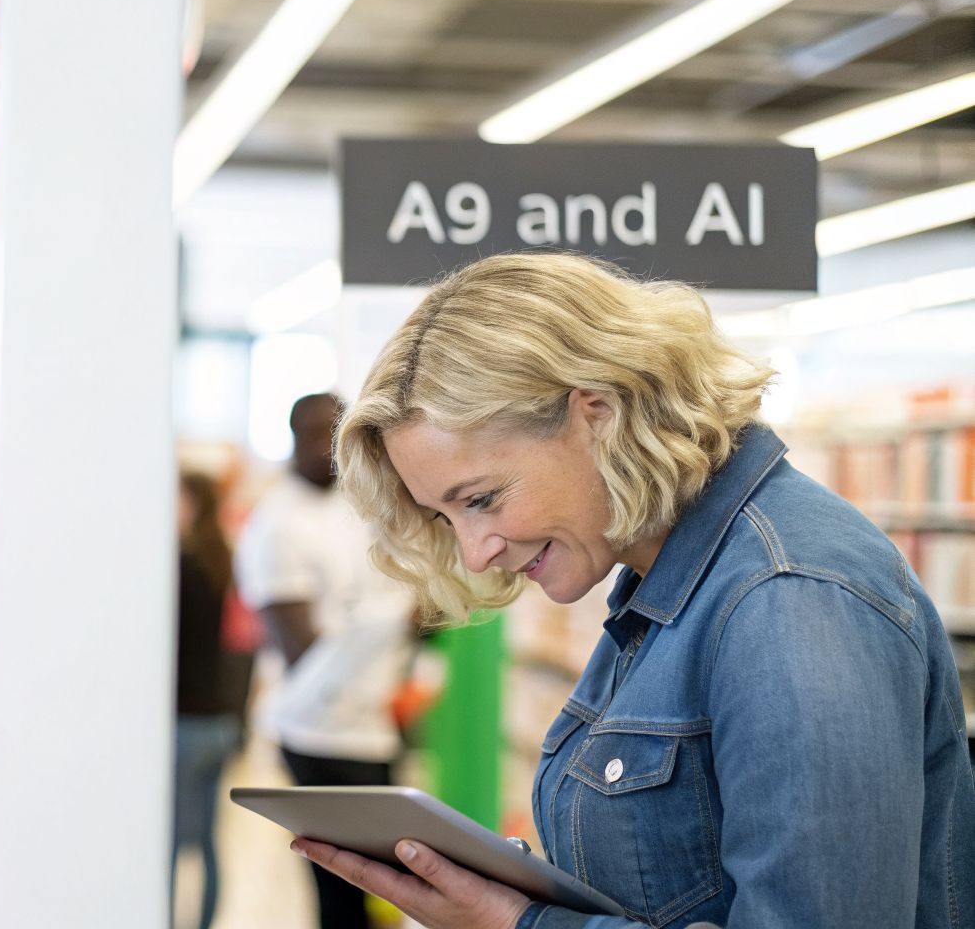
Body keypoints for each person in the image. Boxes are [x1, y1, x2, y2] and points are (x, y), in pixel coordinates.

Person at [299, 252, 975, 928]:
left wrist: (518, 923)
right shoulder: (667, 583)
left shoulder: (789, 599)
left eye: (483, 499)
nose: (476, 551)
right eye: (447, 518)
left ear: (597, 414)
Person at [236, 393, 416, 929]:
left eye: (339, 435)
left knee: (385, 885)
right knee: (345, 889)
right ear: (292, 436)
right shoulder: (276, 525)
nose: (329, 448)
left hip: (371, 726)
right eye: (317, 434)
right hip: (317, 733)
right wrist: (392, 619)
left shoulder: (353, 506)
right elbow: (303, 652)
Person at [173, 469, 250, 929]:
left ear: (193, 504)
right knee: (205, 840)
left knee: (165, 840)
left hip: (182, 722)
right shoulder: (223, 560)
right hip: (219, 720)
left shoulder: (178, 567)